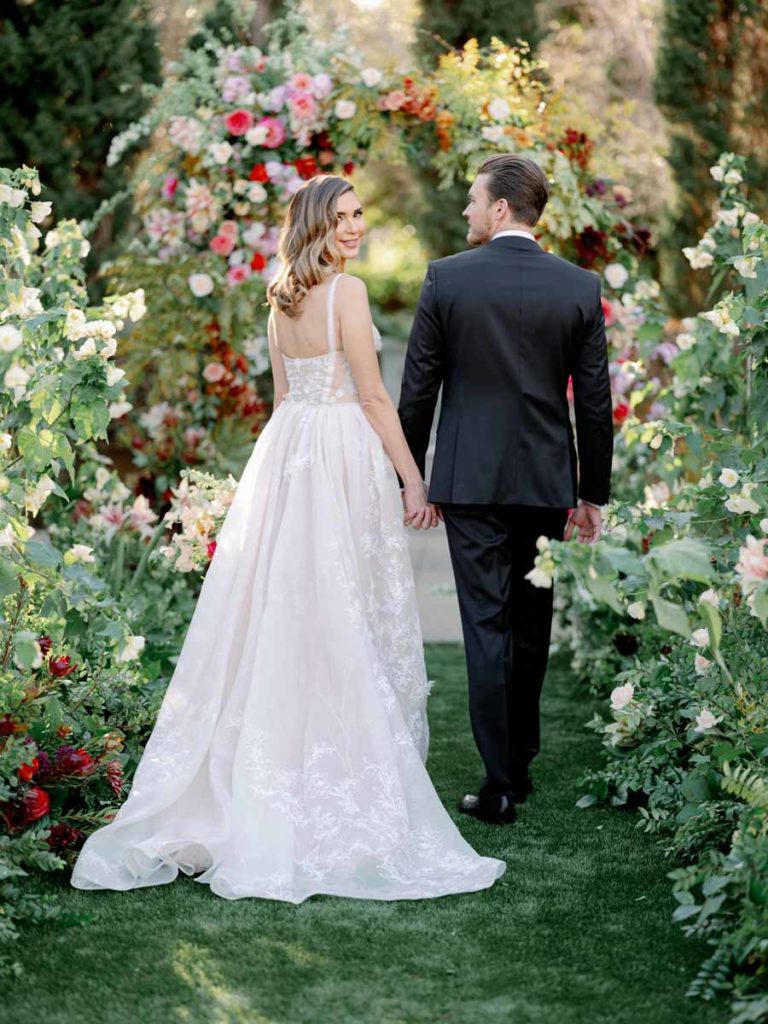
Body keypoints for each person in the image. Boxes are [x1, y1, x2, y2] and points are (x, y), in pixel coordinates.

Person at [70, 175, 505, 902]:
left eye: (360, 213)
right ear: (314, 224)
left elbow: (280, 401)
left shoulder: (281, 297)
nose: (355, 227)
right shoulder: (346, 293)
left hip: (290, 451)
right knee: (337, 605)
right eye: (341, 218)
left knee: (287, 607)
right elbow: (371, 397)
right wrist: (413, 479)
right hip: (338, 453)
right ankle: (325, 763)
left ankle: (282, 754)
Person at [398, 154, 613, 826]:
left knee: (485, 627)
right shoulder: (578, 286)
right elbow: (597, 405)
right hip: (547, 480)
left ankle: (496, 784)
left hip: (468, 482)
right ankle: (519, 767)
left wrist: (408, 478)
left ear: (500, 209)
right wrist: (592, 494)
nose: (465, 210)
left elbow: (417, 392)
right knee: (530, 624)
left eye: (472, 200)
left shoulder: (448, 280)